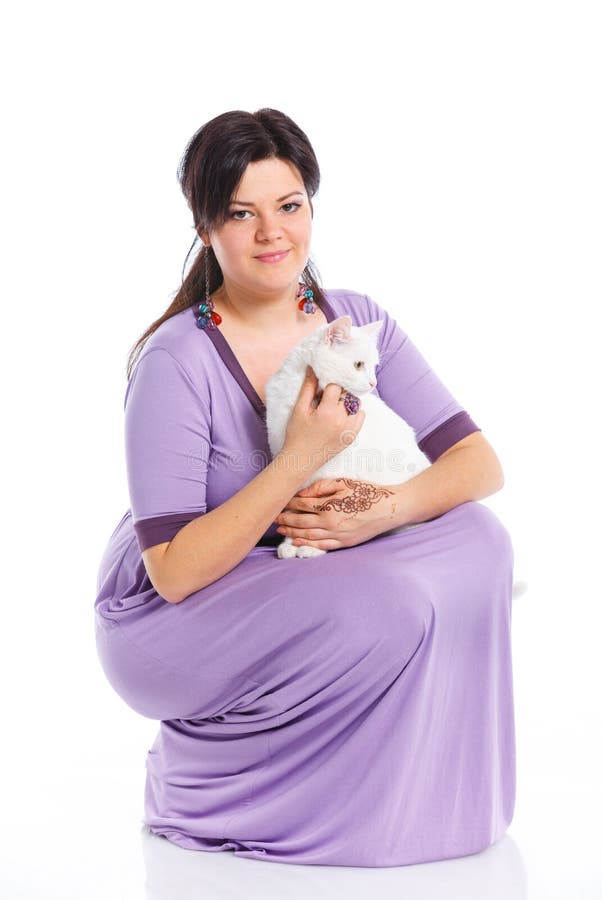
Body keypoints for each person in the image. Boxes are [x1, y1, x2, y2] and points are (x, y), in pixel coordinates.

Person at [94, 108, 516, 868]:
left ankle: (415, 797)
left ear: (312, 206)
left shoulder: (354, 321)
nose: (271, 234)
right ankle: (244, 795)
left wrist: (378, 512)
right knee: (386, 604)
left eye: (289, 206)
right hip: (181, 604)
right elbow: (175, 570)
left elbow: (479, 465)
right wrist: (303, 455)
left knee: (483, 540)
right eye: (241, 213)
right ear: (205, 225)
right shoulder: (178, 360)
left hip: (307, 563)